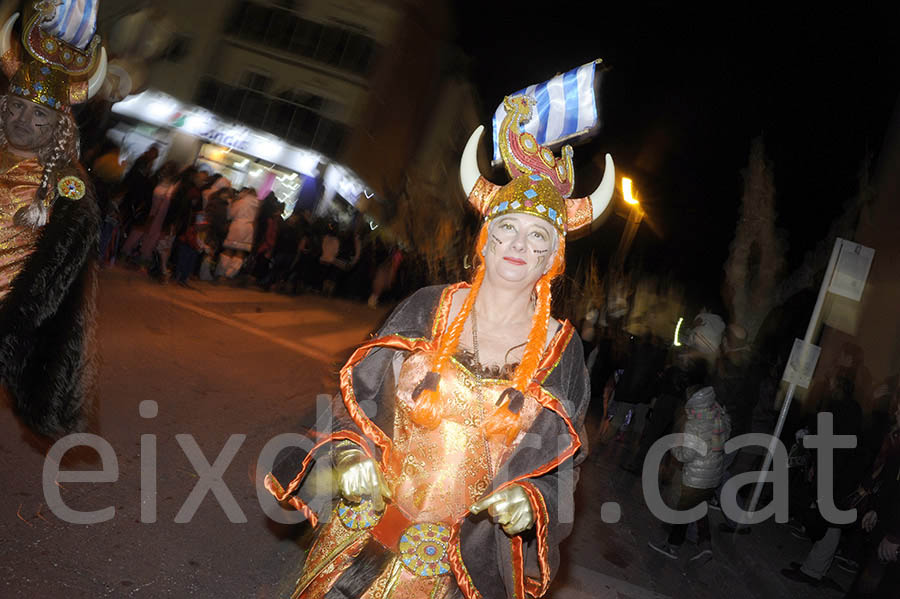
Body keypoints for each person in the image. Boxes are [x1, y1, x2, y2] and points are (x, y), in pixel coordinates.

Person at [263, 96, 615, 598]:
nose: (518, 245)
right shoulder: (428, 306)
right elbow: (353, 399)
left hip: (459, 565)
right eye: (507, 228)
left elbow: (561, 465)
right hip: (364, 533)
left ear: (552, 258)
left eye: (537, 236)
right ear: (486, 240)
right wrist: (349, 453)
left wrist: (529, 498)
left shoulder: (563, 350)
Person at [0, 4, 106, 436]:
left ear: (59, 126)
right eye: (17, 107)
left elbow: (56, 284)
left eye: (39, 114)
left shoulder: (66, 191)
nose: (22, 121)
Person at [648, 386, 731, 563]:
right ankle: (706, 545)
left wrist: (675, 448)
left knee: (683, 513)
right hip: (713, 473)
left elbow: (687, 455)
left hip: (696, 476)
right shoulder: (718, 413)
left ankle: (672, 546)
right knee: (698, 508)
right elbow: (726, 435)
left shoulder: (695, 423)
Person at [217, 187, 259, 279]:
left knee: (229, 250)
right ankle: (230, 273)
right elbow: (256, 220)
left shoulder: (238, 201)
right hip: (248, 228)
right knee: (240, 252)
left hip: (236, 226)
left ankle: (221, 272)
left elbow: (230, 215)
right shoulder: (257, 204)